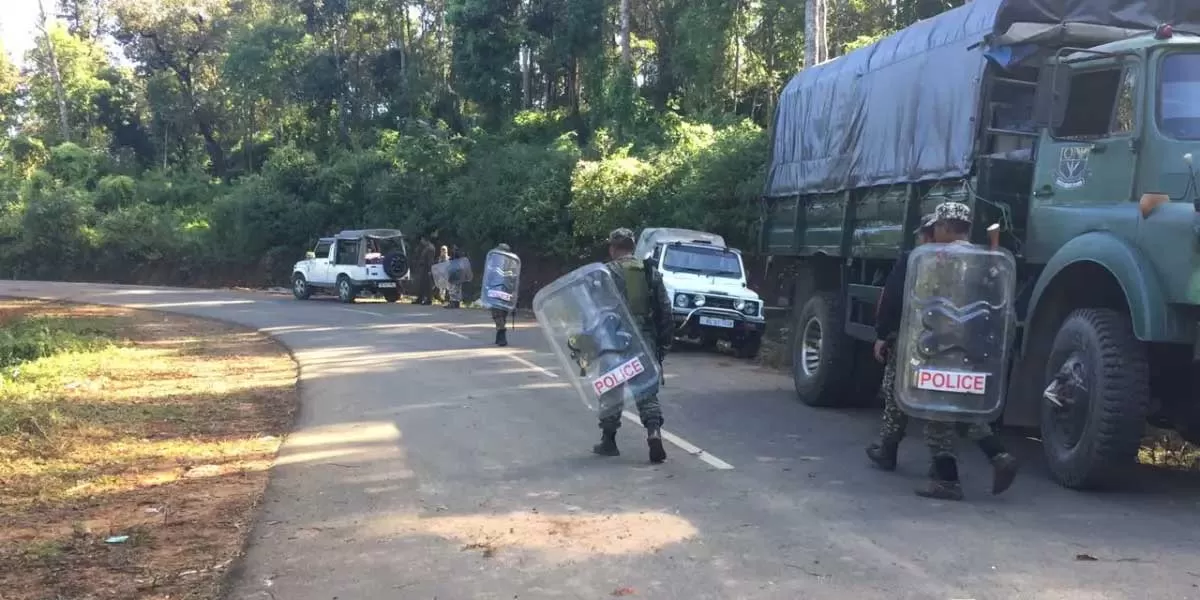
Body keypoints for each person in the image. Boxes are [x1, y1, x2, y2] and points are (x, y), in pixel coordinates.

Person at [915, 201, 1019, 501]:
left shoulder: (937, 260)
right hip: (974, 352)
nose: (933, 231)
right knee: (965, 411)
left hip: (942, 348)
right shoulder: (987, 260)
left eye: (937, 226)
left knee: (936, 418)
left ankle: (947, 481)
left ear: (947, 227)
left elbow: (924, 301)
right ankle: (999, 456)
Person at [593, 228, 674, 464]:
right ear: (633, 246)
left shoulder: (604, 273)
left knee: (611, 392)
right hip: (642, 341)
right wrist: (663, 344)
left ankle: (609, 441)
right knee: (646, 389)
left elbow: (592, 310)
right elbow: (665, 311)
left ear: (612, 248)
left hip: (613, 341)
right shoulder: (649, 272)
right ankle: (653, 431)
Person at [865, 213, 937, 471]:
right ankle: (943, 461)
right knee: (938, 397)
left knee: (897, 390)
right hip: (947, 343)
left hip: (911, 339)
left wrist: (882, 334)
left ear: (927, 235)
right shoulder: (964, 261)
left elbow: (891, 298)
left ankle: (888, 448)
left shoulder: (913, 259)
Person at [489, 243, 515, 347]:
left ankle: (501, 334)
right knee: (501, 314)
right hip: (504, 291)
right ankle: (499, 335)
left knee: (498, 314)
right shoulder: (512, 263)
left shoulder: (501, 263)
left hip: (499, 290)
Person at [412, 234, 437, 305]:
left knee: (428, 285)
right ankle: (420, 298)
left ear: (425, 239)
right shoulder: (426, 247)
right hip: (423, 268)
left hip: (427, 268)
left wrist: (430, 270)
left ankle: (429, 300)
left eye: (422, 240)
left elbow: (430, 260)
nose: (421, 241)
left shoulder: (430, 248)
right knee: (421, 284)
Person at [444, 245, 465, 309]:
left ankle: (453, 303)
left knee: (453, 289)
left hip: (455, 274)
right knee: (457, 289)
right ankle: (456, 303)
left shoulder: (455, 256)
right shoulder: (460, 257)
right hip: (458, 274)